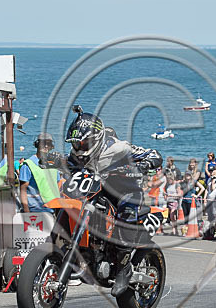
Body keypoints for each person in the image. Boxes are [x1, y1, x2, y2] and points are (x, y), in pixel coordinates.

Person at [65, 109, 162, 297]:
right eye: (76, 142)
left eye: (83, 142)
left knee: (124, 217)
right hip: (97, 191)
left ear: (96, 139)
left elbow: (154, 154)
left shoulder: (117, 148)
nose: (79, 146)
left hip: (125, 190)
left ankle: (124, 270)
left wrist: (145, 164)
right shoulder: (76, 153)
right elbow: (69, 165)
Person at [19, 133, 61, 213]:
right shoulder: (28, 165)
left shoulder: (53, 165)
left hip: (52, 209)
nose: (45, 146)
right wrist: (26, 211)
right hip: (35, 211)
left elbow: (57, 187)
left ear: (51, 146)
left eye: (48, 144)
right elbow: (23, 190)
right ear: (37, 144)